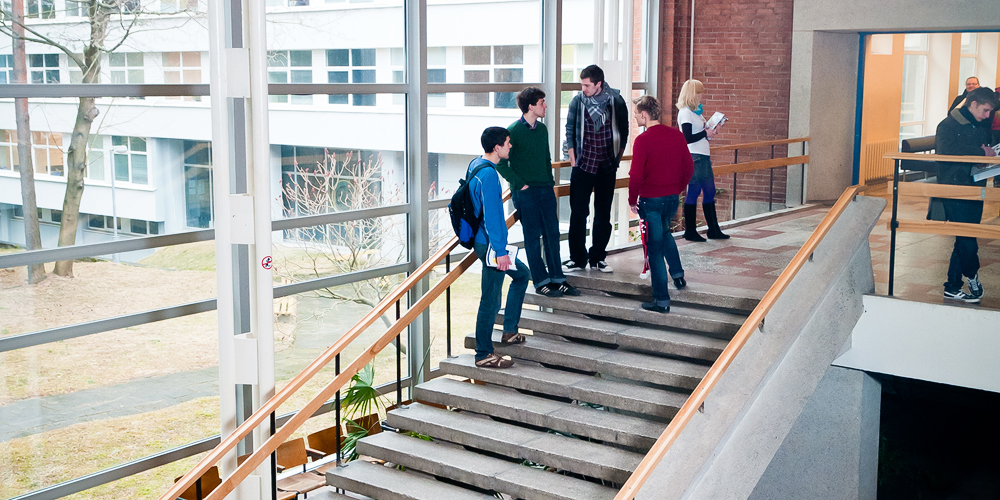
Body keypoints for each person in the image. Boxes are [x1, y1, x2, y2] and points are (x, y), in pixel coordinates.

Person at [496, 87, 581, 298]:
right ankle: (541, 282)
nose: (545, 106)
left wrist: (549, 182)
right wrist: (520, 183)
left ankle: (558, 280)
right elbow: (501, 163)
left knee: (552, 234)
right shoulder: (513, 131)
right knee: (532, 237)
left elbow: (545, 157)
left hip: (545, 188)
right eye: (542, 102)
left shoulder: (542, 130)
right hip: (525, 192)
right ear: (531, 106)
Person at [468, 126, 531, 368]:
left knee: (522, 275)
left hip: (482, 241)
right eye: (507, 142)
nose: (510, 146)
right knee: (491, 301)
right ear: (497, 147)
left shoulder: (476, 164)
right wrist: (501, 252)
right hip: (491, 247)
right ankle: (483, 354)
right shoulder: (490, 176)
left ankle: (509, 331)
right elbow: (493, 216)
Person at [628, 96, 693, 313]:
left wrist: (632, 200)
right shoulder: (676, 135)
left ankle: (662, 301)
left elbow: (636, 175)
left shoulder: (643, 140)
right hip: (671, 199)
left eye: (636, 113)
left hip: (651, 200)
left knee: (654, 250)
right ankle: (678, 276)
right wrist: (676, 188)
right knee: (665, 234)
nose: (635, 117)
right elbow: (689, 167)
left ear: (645, 115)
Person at [563, 64, 630, 273]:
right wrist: (573, 157)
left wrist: (616, 158)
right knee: (578, 214)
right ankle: (577, 258)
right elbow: (570, 129)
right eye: (582, 84)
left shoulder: (616, 101)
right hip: (583, 166)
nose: (583, 89)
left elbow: (624, 131)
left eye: (587, 85)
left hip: (606, 167)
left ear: (598, 84)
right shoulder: (577, 102)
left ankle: (598, 258)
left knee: (603, 215)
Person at [935, 86, 998, 303]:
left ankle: (952, 286)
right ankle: (971, 274)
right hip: (954, 185)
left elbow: (981, 147)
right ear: (973, 104)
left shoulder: (979, 123)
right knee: (967, 236)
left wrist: (986, 156)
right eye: (985, 110)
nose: (988, 116)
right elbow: (947, 151)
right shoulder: (947, 125)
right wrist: (981, 153)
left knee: (965, 235)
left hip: (975, 183)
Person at [677, 79, 729, 242]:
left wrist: (711, 131)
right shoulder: (685, 112)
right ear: (693, 94)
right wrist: (705, 133)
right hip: (694, 157)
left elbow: (701, 135)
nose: (702, 96)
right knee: (694, 192)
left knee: (709, 191)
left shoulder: (696, 113)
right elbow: (687, 138)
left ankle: (713, 229)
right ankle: (691, 231)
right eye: (699, 92)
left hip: (702, 155)